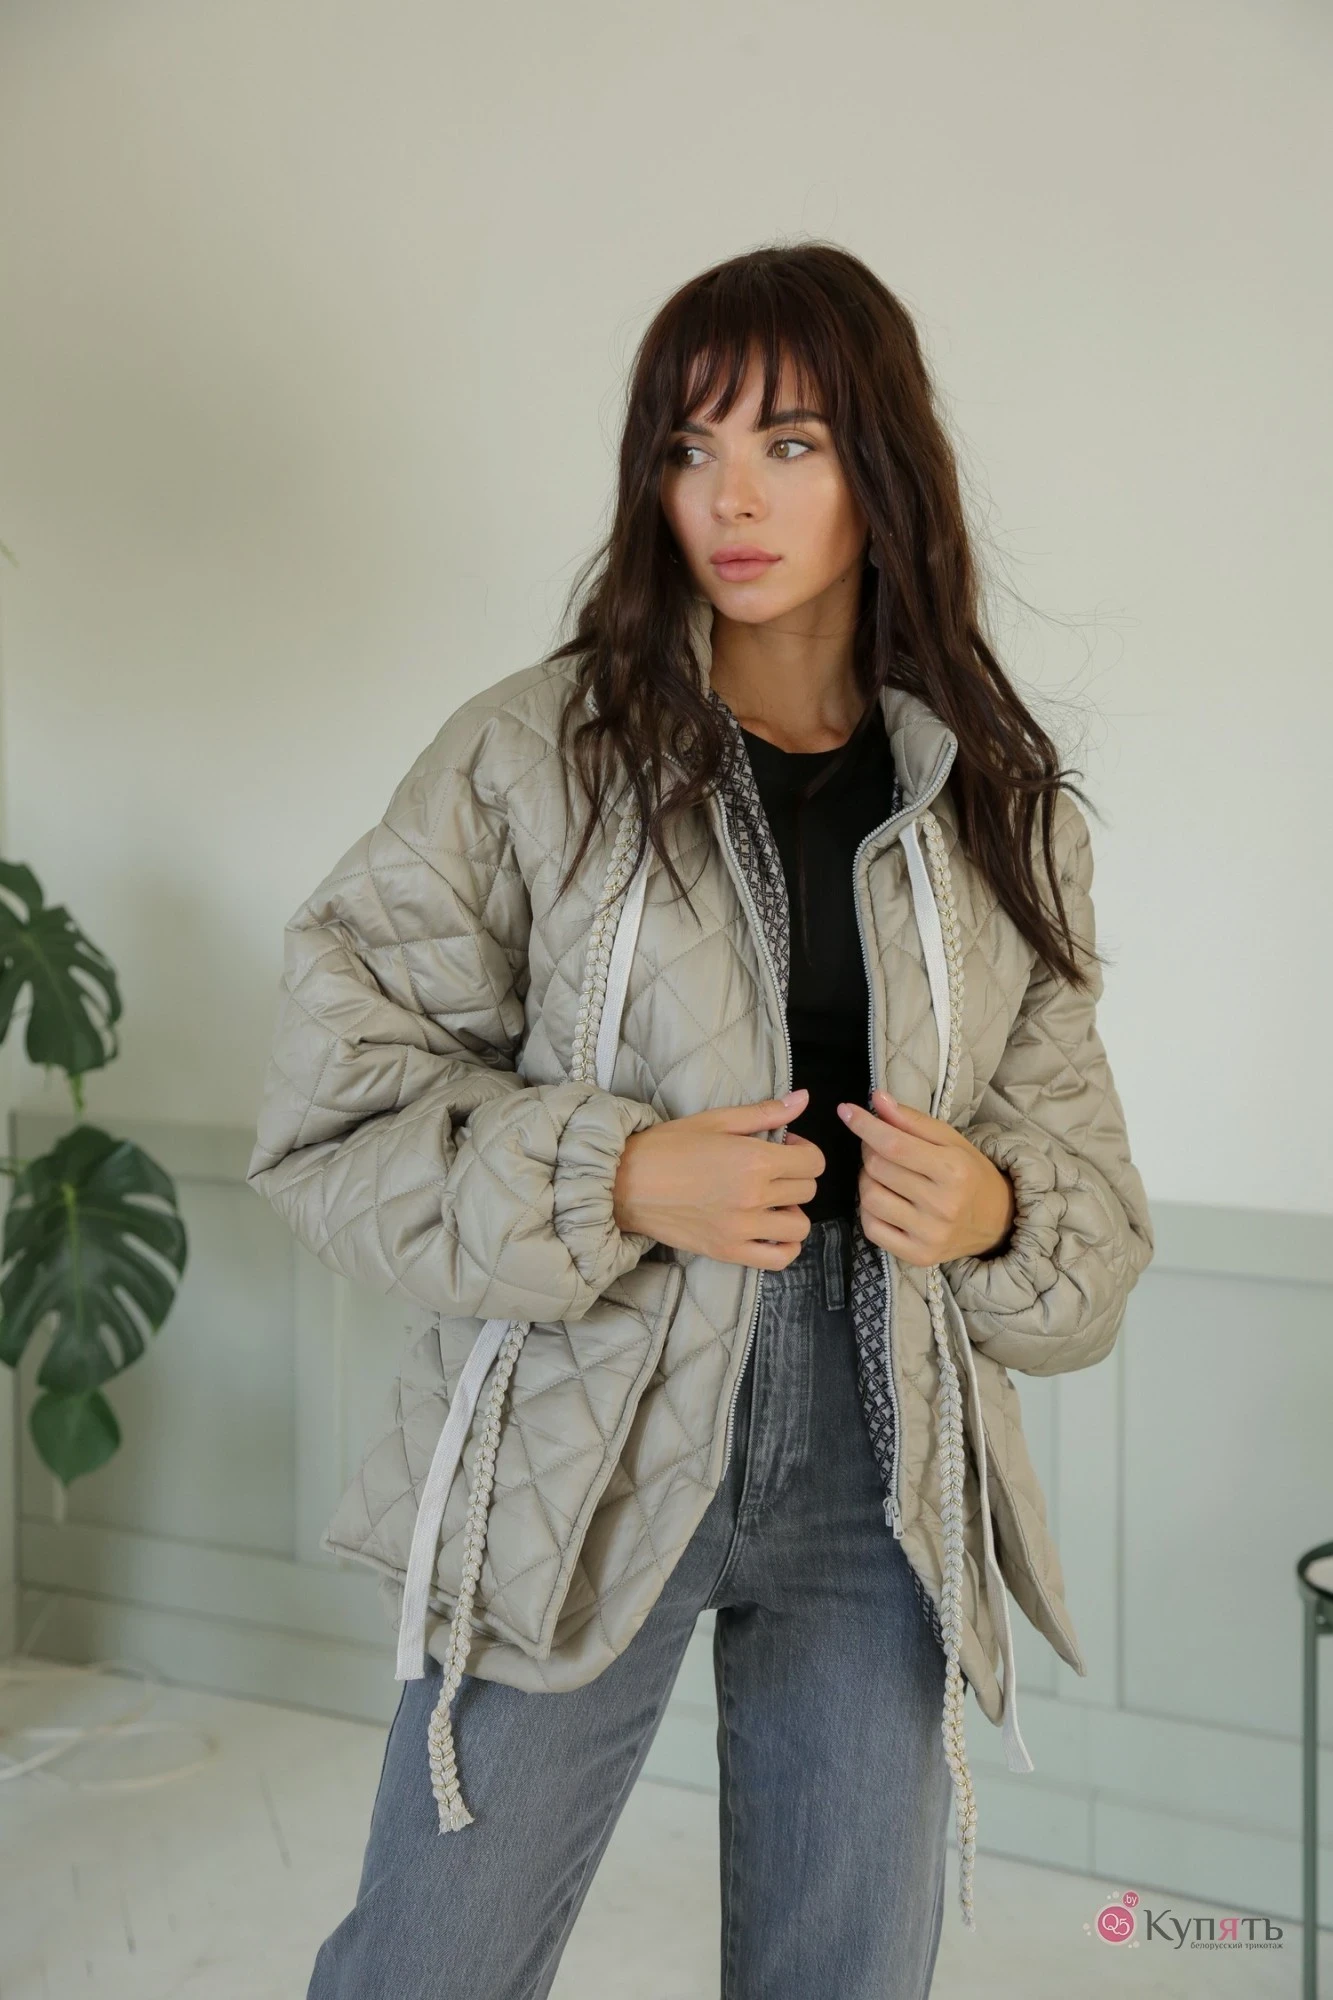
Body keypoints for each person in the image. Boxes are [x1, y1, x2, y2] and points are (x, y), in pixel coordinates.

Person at [246, 241, 1155, 1999]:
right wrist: (615, 1177)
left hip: (883, 1459)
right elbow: (328, 1116)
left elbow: (1094, 1217)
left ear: (880, 465)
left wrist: (996, 1214)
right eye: (689, 445)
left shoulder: (995, 805)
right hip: (588, 1423)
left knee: (845, 1976)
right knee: (430, 1965)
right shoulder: (534, 756)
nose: (729, 497)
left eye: (789, 443)